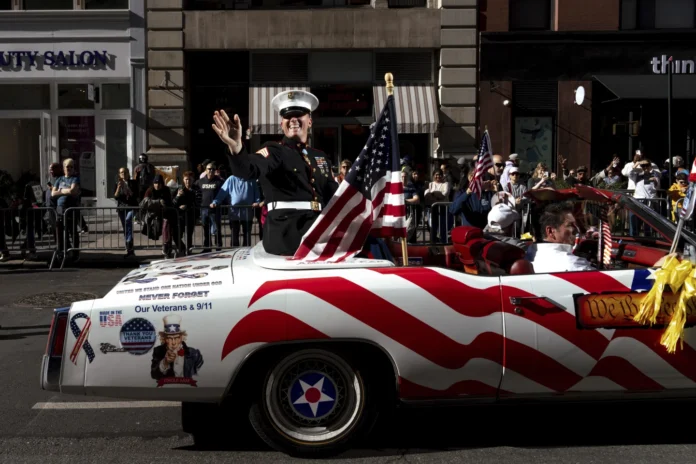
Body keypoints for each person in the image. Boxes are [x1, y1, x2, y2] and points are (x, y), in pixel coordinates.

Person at [211, 90, 338, 256]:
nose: (293, 119)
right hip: (285, 237)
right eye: (287, 116)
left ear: (310, 121)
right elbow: (248, 169)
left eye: (299, 114)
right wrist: (236, 147)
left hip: (319, 233)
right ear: (281, 124)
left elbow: (334, 197)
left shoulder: (319, 156)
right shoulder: (275, 151)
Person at [525, 202, 594, 273]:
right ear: (550, 231)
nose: (576, 230)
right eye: (570, 225)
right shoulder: (573, 264)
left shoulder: (528, 256)